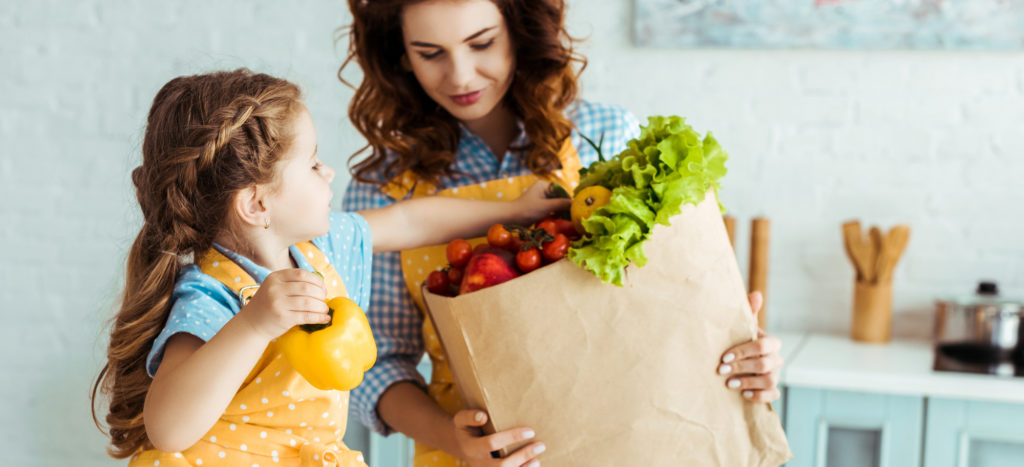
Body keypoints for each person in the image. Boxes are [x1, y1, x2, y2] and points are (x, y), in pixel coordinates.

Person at [339, 1, 784, 466]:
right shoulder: (382, 188)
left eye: (482, 43)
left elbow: (667, 308)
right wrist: (458, 442)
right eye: (430, 53)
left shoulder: (607, 135)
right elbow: (375, 363)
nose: (461, 76)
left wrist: (746, 355)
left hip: (638, 433)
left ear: (518, 29)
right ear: (401, 54)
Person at [90, 68, 569, 466]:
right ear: (257, 204)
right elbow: (170, 428)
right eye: (313, 163)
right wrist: (255, 325)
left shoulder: (324, 246)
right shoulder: (213, 294)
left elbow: (413, 219)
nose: (329, 173)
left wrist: (512, 213)